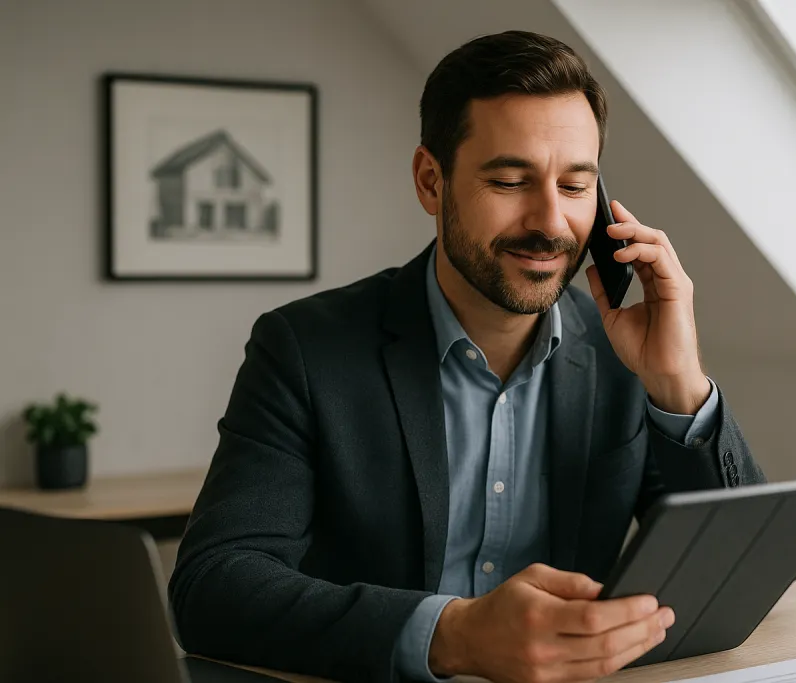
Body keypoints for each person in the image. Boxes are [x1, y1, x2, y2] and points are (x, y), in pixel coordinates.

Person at [169, 29, 765, 683]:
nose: (550, 222)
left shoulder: (624, 353)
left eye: (575, 186)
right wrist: (452, 635)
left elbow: (743, 571)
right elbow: (212, 587)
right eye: (510, 180)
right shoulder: (305, 348)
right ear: (432, 181)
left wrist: (678, 384)